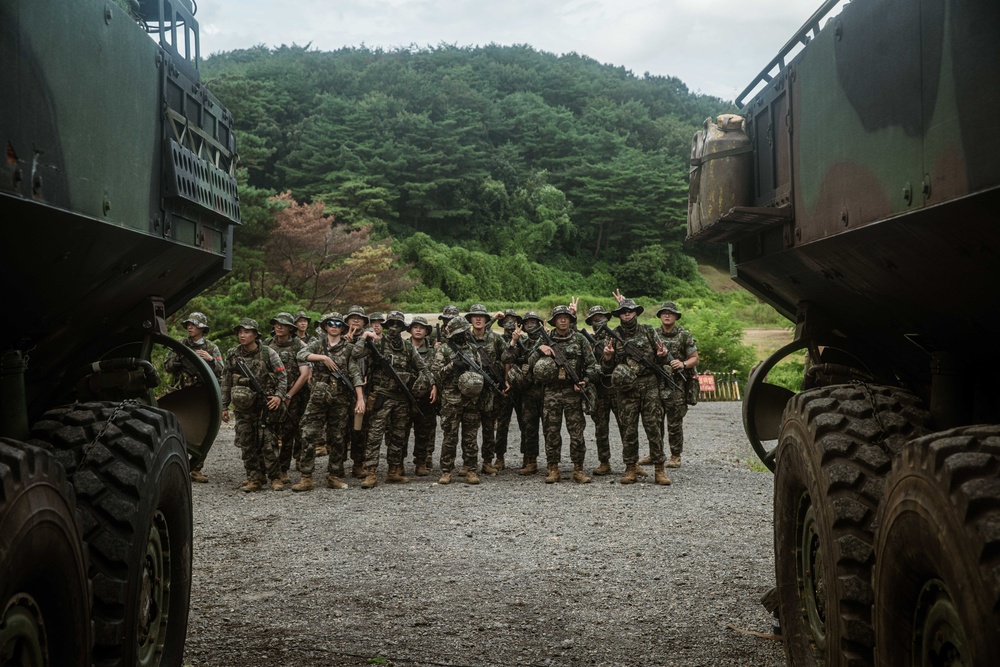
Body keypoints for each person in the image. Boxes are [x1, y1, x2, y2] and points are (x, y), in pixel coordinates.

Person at [353, 310, 433, 488]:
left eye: (398, 325)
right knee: (374, 435)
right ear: (386, 326)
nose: (394, 328)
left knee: (398, 437)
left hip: (401, 399)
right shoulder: (377, 343)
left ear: (403, 328)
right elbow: (356, 354)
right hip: (381, 397)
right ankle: (371, 472)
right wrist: (364, 337)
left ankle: (393, 471)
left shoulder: (407, 347)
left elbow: (423, 368)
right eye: (391, 325)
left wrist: (429, 383)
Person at [601, 298, 672, 485]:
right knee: (628, 429)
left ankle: (659, 468)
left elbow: (662, 360)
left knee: (654, 428)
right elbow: (607, 369)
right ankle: (630, 468)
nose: (627, 314)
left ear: (636, 313)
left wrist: (661, 356)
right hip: (626, 389)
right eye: (623, 311)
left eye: (630, 311)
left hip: (649, 385)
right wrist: (608, 357)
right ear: (619, 315)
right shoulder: (613, 334)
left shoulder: (649, 330)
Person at [294, 313, 365, 491]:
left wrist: (360, 398)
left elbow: (355, 373)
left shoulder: (348, 348)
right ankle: (306, 476)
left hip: (340, 398)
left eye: (338, 324)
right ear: (325, 326)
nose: (334, 326)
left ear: (342, 328)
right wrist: (323, 358)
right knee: (308, 434)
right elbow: (301, 354)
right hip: (318, 398)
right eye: (330, 323)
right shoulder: (318, 344)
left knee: (338, 438)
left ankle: (334, 475)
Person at [529, 305, 598, 483]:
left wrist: (585, 381)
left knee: (576, 433)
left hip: (572, 392)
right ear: (554, 320)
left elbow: (593, 366)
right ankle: (553, 468)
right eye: (559, 317)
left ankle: (578, 469)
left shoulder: (580, 339)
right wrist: (540, 350)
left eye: (566, 317)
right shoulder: (545, 338)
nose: (562, 320)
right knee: (551, 432)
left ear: (570, 319)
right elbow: (529, 361)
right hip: (551, 391)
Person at [220, 318, 288, 492]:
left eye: (247, 332)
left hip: (265, 405)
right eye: (240, 332)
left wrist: (279, 397)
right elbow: (226, 381)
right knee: (247, 442)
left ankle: (274, 477)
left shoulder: (268, 353)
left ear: (256, 334)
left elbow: (282, 377)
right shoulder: (233, 354)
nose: (242, 335)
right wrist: (224, 406)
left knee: (268, 442)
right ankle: (254, 478)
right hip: (243, 406)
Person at [163, 311, 224, 483]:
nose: (190, 327)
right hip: (179, 393)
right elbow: (167, 366)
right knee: (174, 428)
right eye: (188, 324)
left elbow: (221, 369)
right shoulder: (180, 345)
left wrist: (210, 359)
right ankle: (174, 465)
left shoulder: (211, 347)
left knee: (200, 431)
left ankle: (196, 468)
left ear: (202, 328)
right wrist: (180, 359)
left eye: (194, 324)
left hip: (200, 396)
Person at [432, 317, 488, 485]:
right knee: (450, 437)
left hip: (471, 400)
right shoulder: (444, 350)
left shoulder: (472, 349)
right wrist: (452, 365)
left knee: (470, 437)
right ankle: (446, 470)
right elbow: (435, 374)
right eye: (459, 333)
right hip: (451, 400)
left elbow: (480, 370)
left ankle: (471, 469)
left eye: (464, 332)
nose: (462, 335)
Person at [264, 312, 312, 486]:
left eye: (283, 325)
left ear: (291, 328)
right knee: (268, 432)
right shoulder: (267, 344)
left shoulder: (299, 345)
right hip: (270, 395)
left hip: (293, 396)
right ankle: (269, 468)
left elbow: (305, 374)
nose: (278, 327)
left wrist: (289, 395)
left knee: (288, 433)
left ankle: (283, 469)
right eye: (276, 324)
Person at [654, 301, 699, 469]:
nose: (667, 315)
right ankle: (656, 454)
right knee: (654, 421)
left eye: (670, 313)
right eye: (664, 313)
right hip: (657, 384)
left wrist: (683, 364)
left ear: (676, 316)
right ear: (659, 316)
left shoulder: (684, 335)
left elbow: (695, 358)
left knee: (674, 422)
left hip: (676, 384)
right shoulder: (654, 334)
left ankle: (675, 455)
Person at [502, 311, 545, 475]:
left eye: (534, 322)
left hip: (546, 390)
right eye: (528, 322)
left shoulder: (548, 339)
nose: (531, 325)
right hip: (527, 392)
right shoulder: (522, 341)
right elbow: (506, 357)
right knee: (529, 428)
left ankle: (552, 464)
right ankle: (530, 461)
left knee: (550, 429)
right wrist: (513, 341)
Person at [581, 304, 622, 476]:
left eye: (602, 318)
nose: (599, 321)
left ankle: (631, 463)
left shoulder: (617, 338)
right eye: (595, 319)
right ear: (591, 322)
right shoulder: (588, 342)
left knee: (627, 428)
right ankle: (604, 462)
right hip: (599, 391)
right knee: (601, 429)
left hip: (619, 390)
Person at [465, 304, 505, 476]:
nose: (478, 319)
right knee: (470, 429)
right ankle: (468, 464)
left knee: (489, 428)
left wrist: (507, 378)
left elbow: (507, 356)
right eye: (475, 316)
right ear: (471, 320)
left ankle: (487, 461)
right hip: (471, 391)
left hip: (490, 391)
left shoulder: (495, 339)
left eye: (482, 316)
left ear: (487, 320)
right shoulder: (465, 338)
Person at [403, 315, 438, 475]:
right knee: (400, 431)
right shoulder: (402, 348)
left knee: (424, 431)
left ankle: (421, 462)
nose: (418, 330)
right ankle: (397, 464)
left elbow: (436, 371)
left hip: (424, 397)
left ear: (426, 332)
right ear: (410, 330)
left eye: (422, 328)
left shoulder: (432, 352)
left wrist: (434, 386)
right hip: (404, 396)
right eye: (415, 327)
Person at [493, 308, 524, 470]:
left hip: (520, 387)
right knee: (502, 423)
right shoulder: (497, 340)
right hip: (503, 388)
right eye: (507, 320)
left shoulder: (523, 340)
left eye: (513, 319)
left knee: (524, 423)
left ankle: (528, 458)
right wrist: (505, 380)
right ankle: (499, 457)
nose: (510, 322)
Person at [343, 305, 370, 476]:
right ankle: (337, 465)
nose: (355, 320)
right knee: (340, 428)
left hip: (366, 387)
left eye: (359, 318)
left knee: (361, 428)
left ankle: (358, 464)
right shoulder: (339, 339)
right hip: (343, 388)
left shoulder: (370, 339)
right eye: (352, 317)